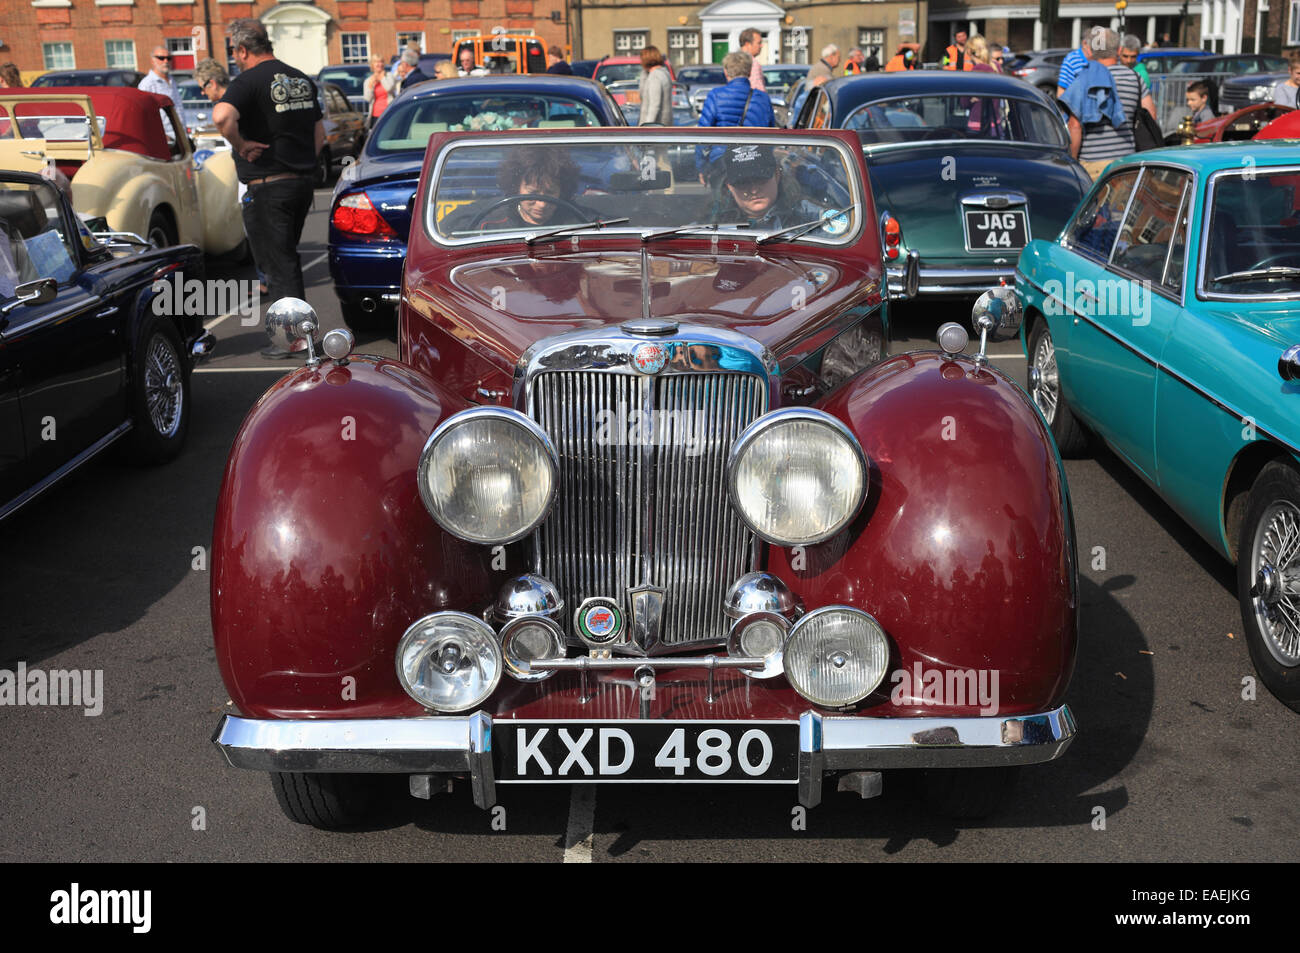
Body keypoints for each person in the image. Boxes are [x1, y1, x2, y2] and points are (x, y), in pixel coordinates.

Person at [212, 18, 324, 359]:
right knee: (286, 259)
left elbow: (221, 117)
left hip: (269, 185)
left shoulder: (247, 81)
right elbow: (320, 135)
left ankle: (294, 341)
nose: (234, 58)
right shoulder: (300, 78)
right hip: (302, 182)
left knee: (278, 266)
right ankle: (298, 337)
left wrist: (241, 143)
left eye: (234, 52)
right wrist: (301, 160)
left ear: (243, 50)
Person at [1060, 28, 1151, 180]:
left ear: (1090, 51)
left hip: (1092, 165)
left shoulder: (1084, 79)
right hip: (1127, 162)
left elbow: (1075, 126)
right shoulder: (1135, 78)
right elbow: (1150, 114)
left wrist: (1072, 163)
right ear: (1119, 50)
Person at [712, 144, 831, 232]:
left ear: (777, 175)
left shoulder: (810, 217)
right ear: (730, 186)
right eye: (743, 183)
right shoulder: (711, 227)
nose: (754, 190)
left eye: (760, 179)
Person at [696, 51, 774, 183]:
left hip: (722, 162)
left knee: (722, 201)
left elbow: (703, 134)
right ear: (749, 72)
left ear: (726, 72)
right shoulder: (762, 98)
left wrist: (702, 167)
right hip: (756, 161)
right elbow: (771, 134)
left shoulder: (715, 95)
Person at [477, 149, 584, 230]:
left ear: (562, 191)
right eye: (532, 193)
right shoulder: (490, 227)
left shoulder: (581, 225)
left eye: (550, 193)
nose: (542, 204)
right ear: (516, 188)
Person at [1057, 26, 1102, 97]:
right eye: (1094, 48)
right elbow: (1061, 91)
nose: (1097, 52)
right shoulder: (1071, 60)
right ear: (1084, 44)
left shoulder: (1100, 59)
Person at [637, 45, 672, 126]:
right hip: (664, 125)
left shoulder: (655, 76)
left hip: (656, 127)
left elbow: (654, 105)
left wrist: (647, 126)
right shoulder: (664, 73)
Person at [364, 55, 395, 129]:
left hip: (389, 112)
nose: (379, 64)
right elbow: (367, 98)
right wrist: (371, 85)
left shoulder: (389, 76)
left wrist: (382, 78)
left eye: (381, 62)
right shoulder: (368, 80)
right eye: (376, 62)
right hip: (375, 115)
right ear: (372, 65)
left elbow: (389, 88)